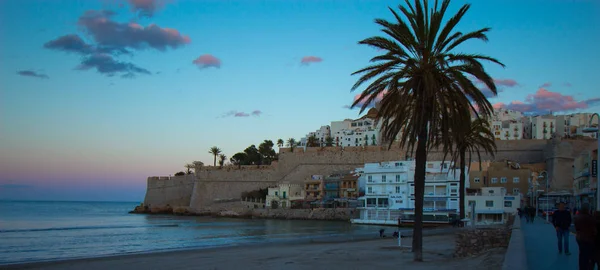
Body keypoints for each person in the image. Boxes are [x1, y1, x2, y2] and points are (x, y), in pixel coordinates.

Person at [574, 203, 596, 270]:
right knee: (588, 255)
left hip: (579, 238)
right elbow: (593, 229)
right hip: (588, 238)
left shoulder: (577, 217)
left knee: (582, 254)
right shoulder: (590, 218)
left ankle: (582, 267)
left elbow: (577, 228)